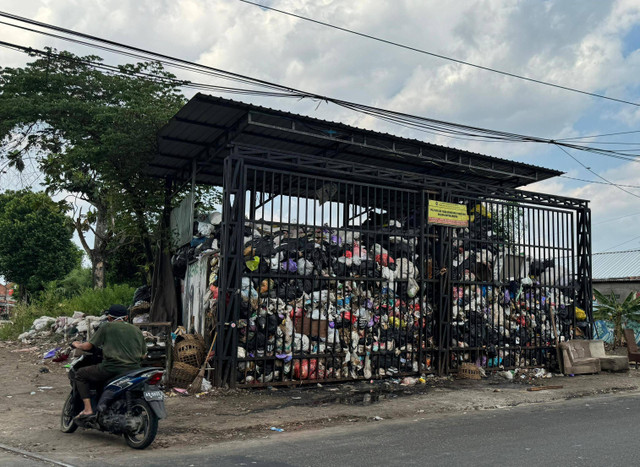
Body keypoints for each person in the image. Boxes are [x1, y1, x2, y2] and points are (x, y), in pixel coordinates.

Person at [71, 304, 146, 419]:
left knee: (80, 374)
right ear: (126, 318)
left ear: (110, 318)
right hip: (134, 370)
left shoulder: (106, 327)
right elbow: (144, 354)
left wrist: (77, 344)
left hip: (111, 368)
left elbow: (88, 346)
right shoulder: (136, 330)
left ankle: (87, 409)